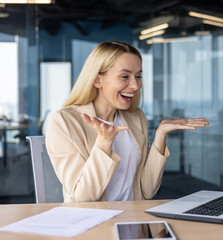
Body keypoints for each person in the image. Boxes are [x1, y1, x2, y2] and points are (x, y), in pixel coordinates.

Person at [45, 41, 209, 203]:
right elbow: (83, 198)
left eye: (138, 76)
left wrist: (160, 135)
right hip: (94, 227)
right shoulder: (64, 123)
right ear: (97, 80)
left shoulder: (136, 118)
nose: (136, 85)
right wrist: (104, 143)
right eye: (125, 76)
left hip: (134, 225)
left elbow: (147, 190)